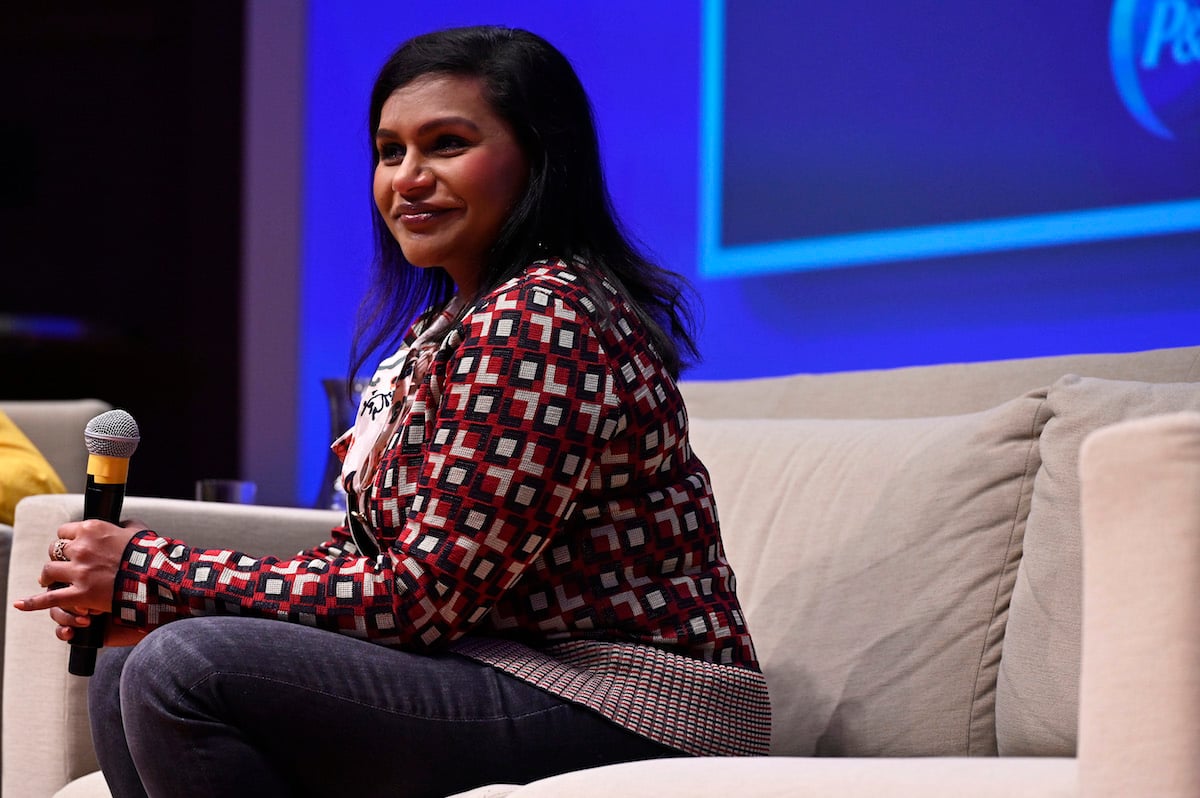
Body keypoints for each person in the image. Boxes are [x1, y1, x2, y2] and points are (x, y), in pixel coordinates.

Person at [16, 25, 770, 798]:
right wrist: (155, 595)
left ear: (541, 159)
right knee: (127, 667)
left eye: (446, 144)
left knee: (184, 669)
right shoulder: (443, 330)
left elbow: (420, 598)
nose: (407, 179)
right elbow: (363, 559)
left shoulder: (545, 318)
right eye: (389, 152)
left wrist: (148, 567)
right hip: (500, 663)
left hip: (630, 697)